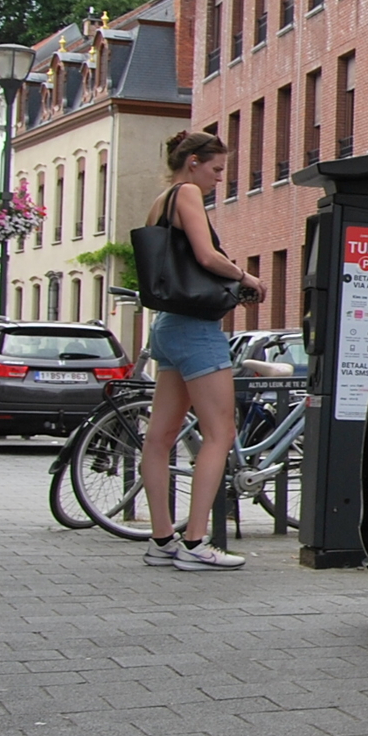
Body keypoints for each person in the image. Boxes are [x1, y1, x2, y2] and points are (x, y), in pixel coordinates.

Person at [139, 129, 266, 571]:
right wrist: (247, 279)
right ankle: (195, 543)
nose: (218, 180)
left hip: (167, 326)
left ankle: (161, 540)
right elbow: (206, 255)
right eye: (216, 169)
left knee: (158, 438)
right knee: (221, 433)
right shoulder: (187, 193)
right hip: (196, 328)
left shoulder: (160, 201)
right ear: (192, 161)